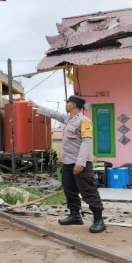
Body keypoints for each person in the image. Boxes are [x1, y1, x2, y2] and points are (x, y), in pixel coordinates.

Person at [37, 95, 105, 233]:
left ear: (73, 105)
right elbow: (54, 114)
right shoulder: (68, 119)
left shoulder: (84, 121)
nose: (65, 104)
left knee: (88, 190)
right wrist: (36, 106)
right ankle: (75, 215)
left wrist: (81, 162)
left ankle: (98, 219)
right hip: (68, 162)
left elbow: (87, 141)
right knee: (69, 189)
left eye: (67, 102)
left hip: (81, 162)